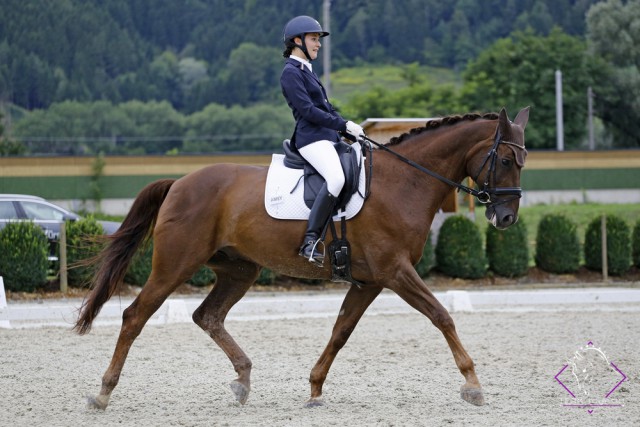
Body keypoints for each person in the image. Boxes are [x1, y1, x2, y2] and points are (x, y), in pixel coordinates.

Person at [280, 15, 364, 266]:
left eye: (318, 40)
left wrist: (347, 129)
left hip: (327, 136)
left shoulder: (307, 70)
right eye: (314, 39)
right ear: (298, 41)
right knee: (336, 178)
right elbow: (308, 111)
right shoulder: (290, 73)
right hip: (311, 139)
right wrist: (342, 124)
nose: (318, 44)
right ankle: (310, 240)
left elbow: (325, 108)